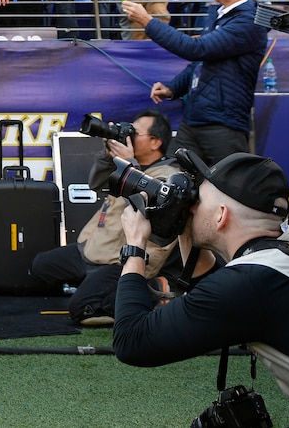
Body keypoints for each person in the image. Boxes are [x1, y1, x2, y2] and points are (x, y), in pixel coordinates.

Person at [114, 150, 289, 427]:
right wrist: (185, 227)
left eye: (198, 201)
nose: (192, 205)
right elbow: (215, 299)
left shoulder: (250, 284)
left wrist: (135, 246)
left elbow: (132, 341)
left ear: (221, 215)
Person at [31, 110, 179, 324]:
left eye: (134, 133)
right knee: (39, 268)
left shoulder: (169, 176)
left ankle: (153, 290)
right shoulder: (130, 165)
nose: (127, 136)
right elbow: (97, 184)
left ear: (155, 142)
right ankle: (95, 284)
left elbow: (146, 208)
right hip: (92, 249)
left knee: (82, 308)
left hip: (122, 261)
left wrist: (129, 164)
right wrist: (108, 155)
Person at [122, 0, 267, 165]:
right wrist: (174, 88)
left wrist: (148, 21)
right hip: (194, 121)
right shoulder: (219, 15)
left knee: (225, 190)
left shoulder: (248, 21)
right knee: (172, 183)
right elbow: (202, 63)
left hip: (224, 125)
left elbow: (196, 49)